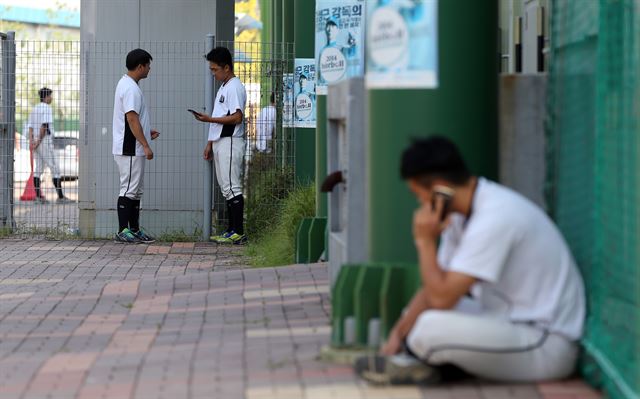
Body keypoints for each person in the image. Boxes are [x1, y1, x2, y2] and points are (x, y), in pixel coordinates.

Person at [355, 136, 585, 385]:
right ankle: (417, 360)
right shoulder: (463, 213)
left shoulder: (495, 216)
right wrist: (397, 336)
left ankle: (417, 364)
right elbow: (433, 290)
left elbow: (442, 299)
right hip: (510, 321)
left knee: (428, 329)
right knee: (414, 316)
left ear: (439, 187)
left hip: (546, 345)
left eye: (418, 194)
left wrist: (425, 242)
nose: (419, 203)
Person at [191, 46, 247, 245]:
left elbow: (237, 117)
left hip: (231, 141)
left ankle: (238, 231)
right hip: (221, 142)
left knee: (232, 187)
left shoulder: (234, 86)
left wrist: (209, 119)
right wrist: (209, 143)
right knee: (227, 188)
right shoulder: (224, 86)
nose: (213, 73)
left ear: (226, 67)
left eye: (215, 70)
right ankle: (232, 230)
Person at [111, 48, 160, 244]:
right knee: (128, 189)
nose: (149, 69)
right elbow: (131, 119)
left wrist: (146, 134)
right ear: (140, 66)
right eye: (148, 65)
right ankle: (123, 231)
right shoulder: (130, 88)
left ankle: (134, 229)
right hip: (129, 148)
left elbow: (133, 120)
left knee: (136, 190)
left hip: (133, 146)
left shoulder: (128, 84)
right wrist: (145, 145)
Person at [27, 87, 70, 203]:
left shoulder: (35, 108)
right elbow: (44, 126)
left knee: (38, 169)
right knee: (55, 167)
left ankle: (38, 197)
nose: (51, 98)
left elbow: (30, 127)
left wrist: (32, 141)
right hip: (44, 141)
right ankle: (60, 197)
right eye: (50, 95)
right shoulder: (46, 108)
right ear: (46, 97)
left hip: (36, 141)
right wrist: (39, 141)